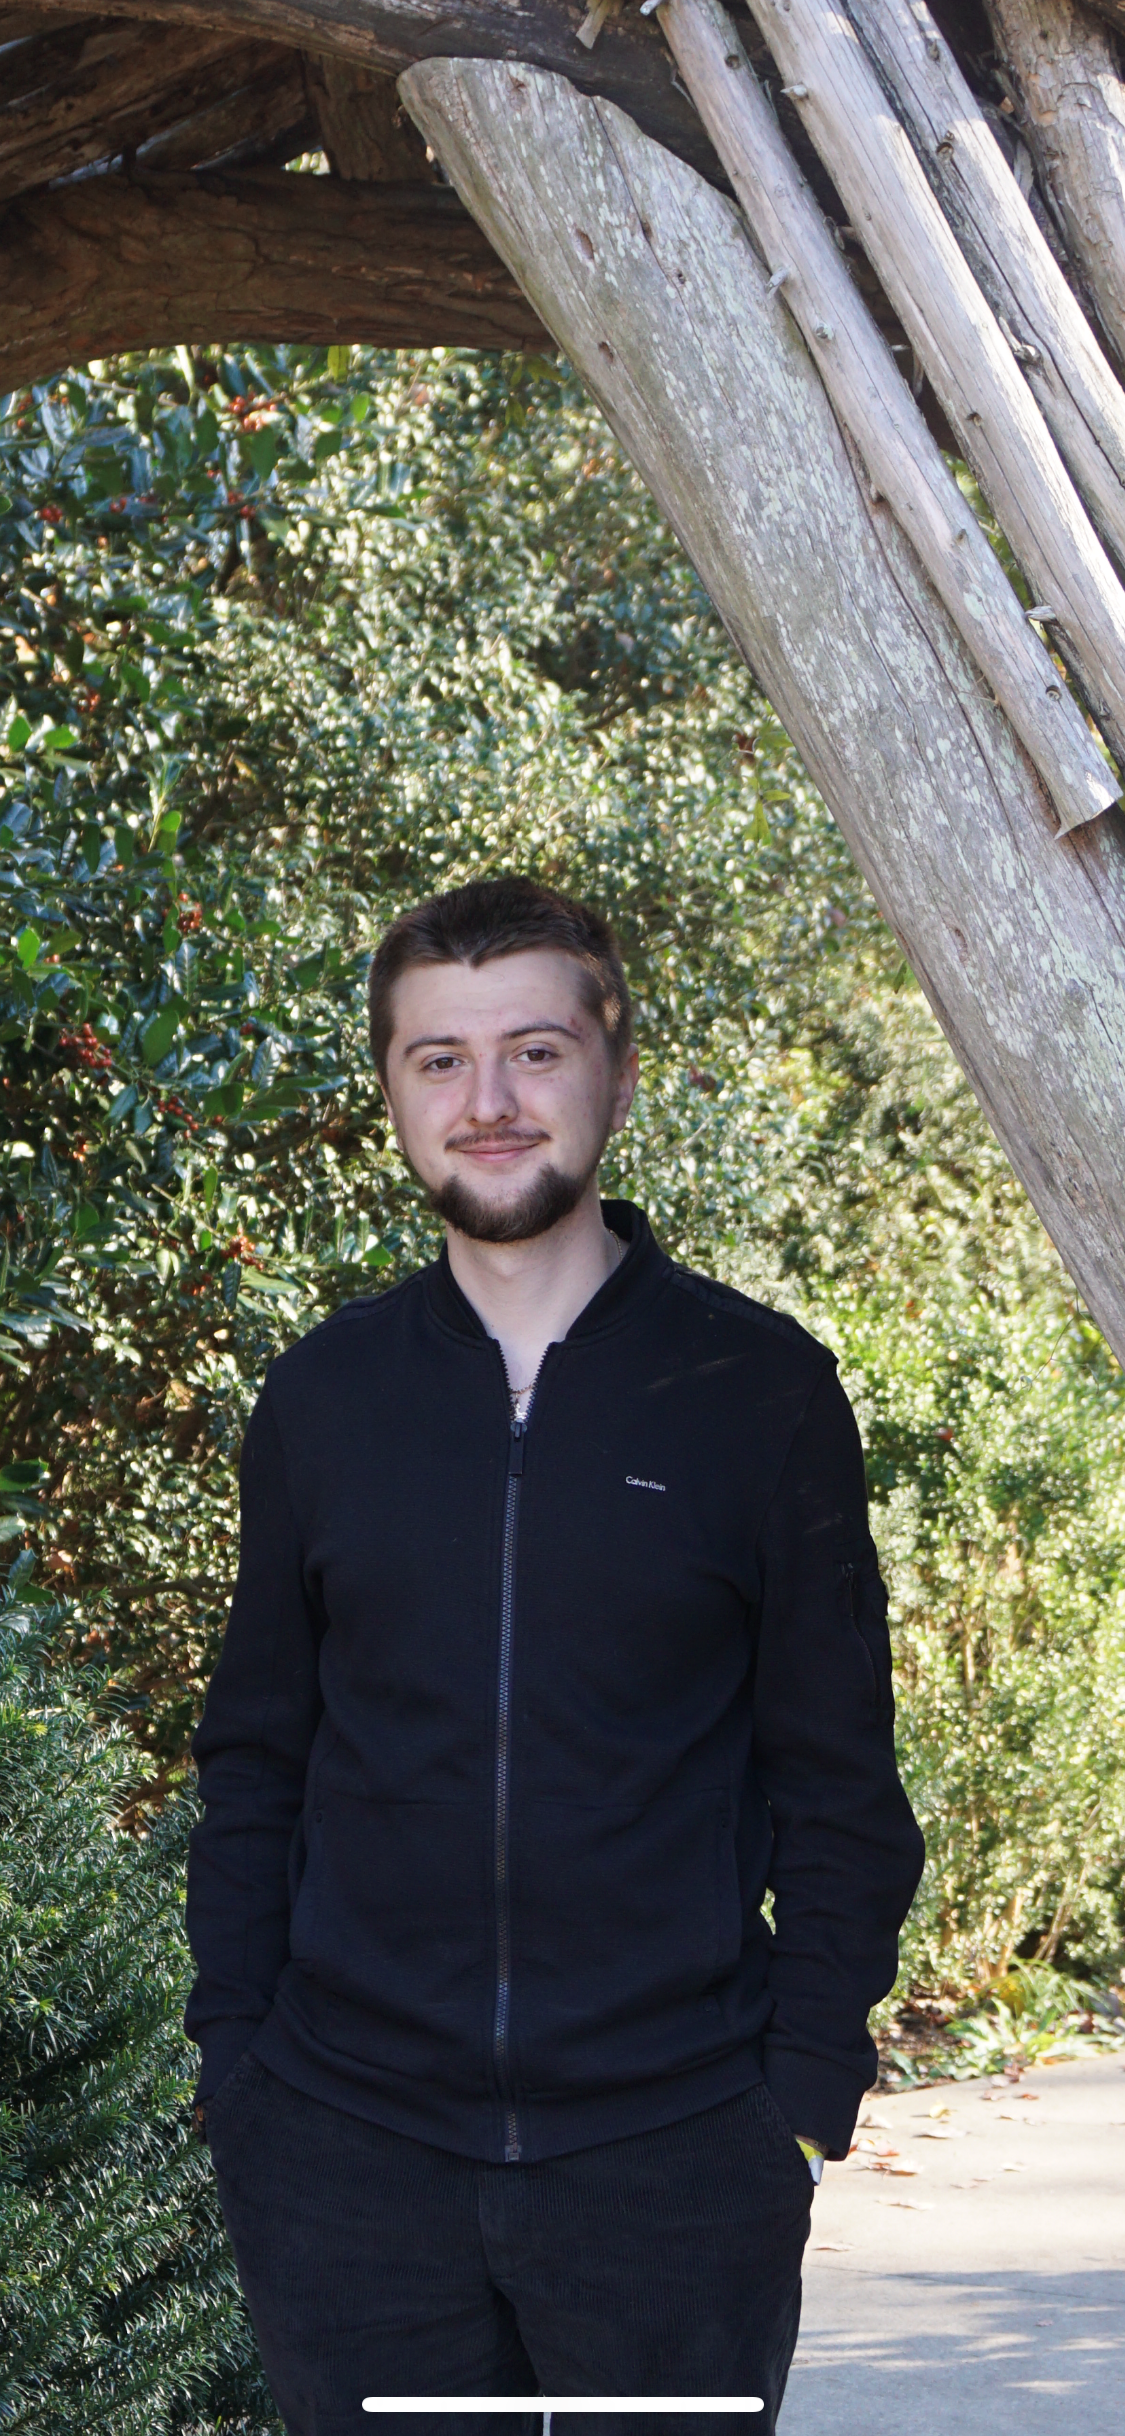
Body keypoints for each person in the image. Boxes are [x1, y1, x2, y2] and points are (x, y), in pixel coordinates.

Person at [185, 875, 924, 2436]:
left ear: (617, 1065)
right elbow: (257, 1759)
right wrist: (239, 2078)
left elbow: (840, 1777)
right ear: (392, 1093)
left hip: (672, 2165)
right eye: (438, 1060)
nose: (491, 1100)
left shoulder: (758, 1390)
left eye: (533, 1048)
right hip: (345, 2159)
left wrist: (791, 2099)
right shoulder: (324, 1403)